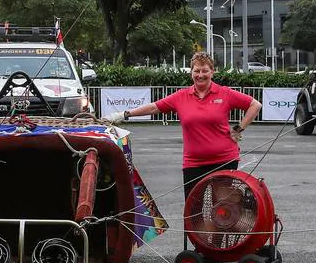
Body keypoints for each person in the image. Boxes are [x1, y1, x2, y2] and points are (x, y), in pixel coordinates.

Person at [110, 51, 261, 250]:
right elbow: (155, 107)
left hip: (225, 159)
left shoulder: (224, 93)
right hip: (193, 163)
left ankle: (226, 248)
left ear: (212, 72)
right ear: (191, 73)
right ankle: (203, 248)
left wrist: (239, 128)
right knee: (194, 209)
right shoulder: (182, 96)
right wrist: (124, 114)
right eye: (196, 71)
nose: (200, 75)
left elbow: (254, 105)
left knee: (224, 207)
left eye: (205, 71)